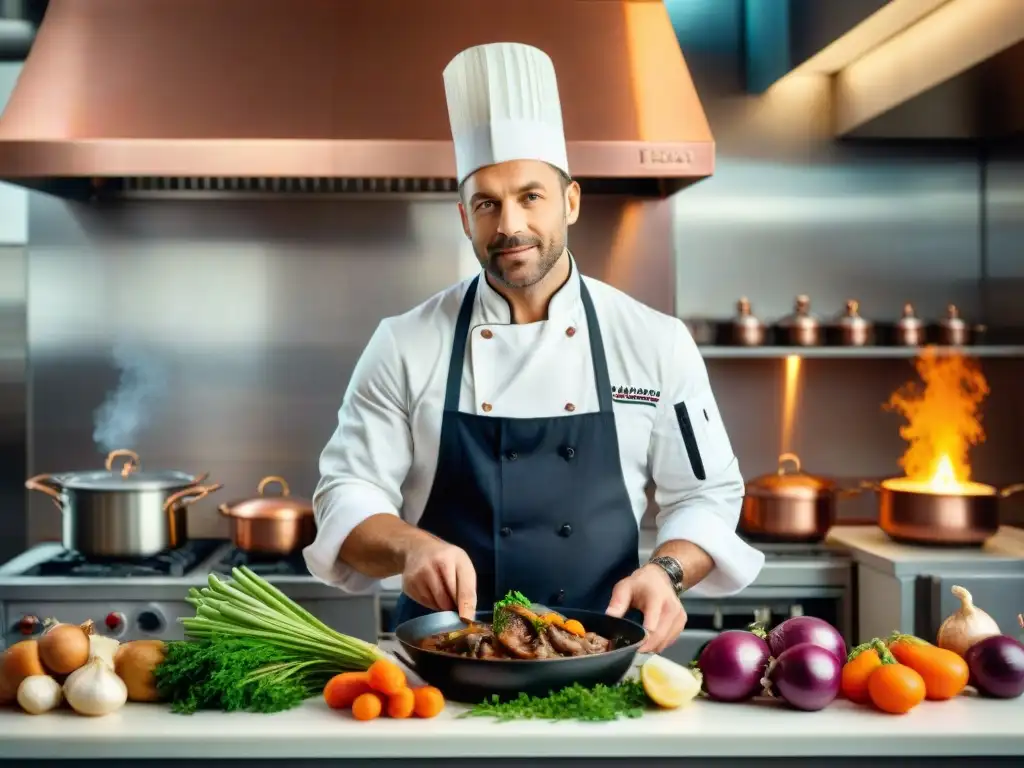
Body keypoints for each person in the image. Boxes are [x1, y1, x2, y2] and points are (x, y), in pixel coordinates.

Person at [304, 41, 764, 654]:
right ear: (464, 217)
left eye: (530, 196)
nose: (509, 225)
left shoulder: (654, 341)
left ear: (570, 201)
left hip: (599, 657)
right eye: (487, 204)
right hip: (445, 662)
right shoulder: (405, 343)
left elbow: (707, 493)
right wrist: (412, 545)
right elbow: (346, 494)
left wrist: (667, 572)